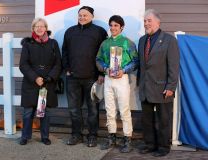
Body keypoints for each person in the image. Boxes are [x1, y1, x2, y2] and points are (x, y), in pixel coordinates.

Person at [62, 6, 107, 147]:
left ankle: (92, 136)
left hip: (92, 78)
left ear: (92, 17)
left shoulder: (99, 32)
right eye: (80, 15)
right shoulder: (70, 32)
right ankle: (76, 134)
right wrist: (67, 69)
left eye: (85, 15)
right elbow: (65, 52)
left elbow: (104, 54)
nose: (82, 17)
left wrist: (101, 73)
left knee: (93, 110)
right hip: (73, 78)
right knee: (74, 109)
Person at [137, 9, 179, 157]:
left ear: (158, 21)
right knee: (147, 120)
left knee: (164, 120)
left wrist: (170, 87)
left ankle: (163, 147)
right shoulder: (142, 40)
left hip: (163, 88)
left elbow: (174, 66)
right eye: (144, 21)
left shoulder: (169, 40)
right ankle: (149, 144)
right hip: (145, 88)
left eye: (149, 20)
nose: (146, 23)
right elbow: (142, 65)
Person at [96, 15, 138, 153]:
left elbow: (136, 61)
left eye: (116, 25)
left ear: (122, 27)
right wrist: (105, 69)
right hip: (108, 79)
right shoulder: (105, 43)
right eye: (111, 25)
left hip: (122, 79)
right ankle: (111, 137)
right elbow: (98, 60)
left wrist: (124, 70)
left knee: (124, 110)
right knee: (109, 110)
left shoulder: (128, 43)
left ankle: (127, 139)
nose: (113, 28)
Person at [19, 18, 61, 145]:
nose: (39, 28)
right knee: (28, 112)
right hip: (31, 83)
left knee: (45, 112)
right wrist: (35, 78)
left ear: (46, 28)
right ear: (33, 28)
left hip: (47, 84)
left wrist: (49, 78)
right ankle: (25, 136)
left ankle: (45, 136)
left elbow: (58, 64)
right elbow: (23, 64)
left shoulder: (53, 43)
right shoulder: (27, 44)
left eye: (42, 26)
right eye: (36, 26)